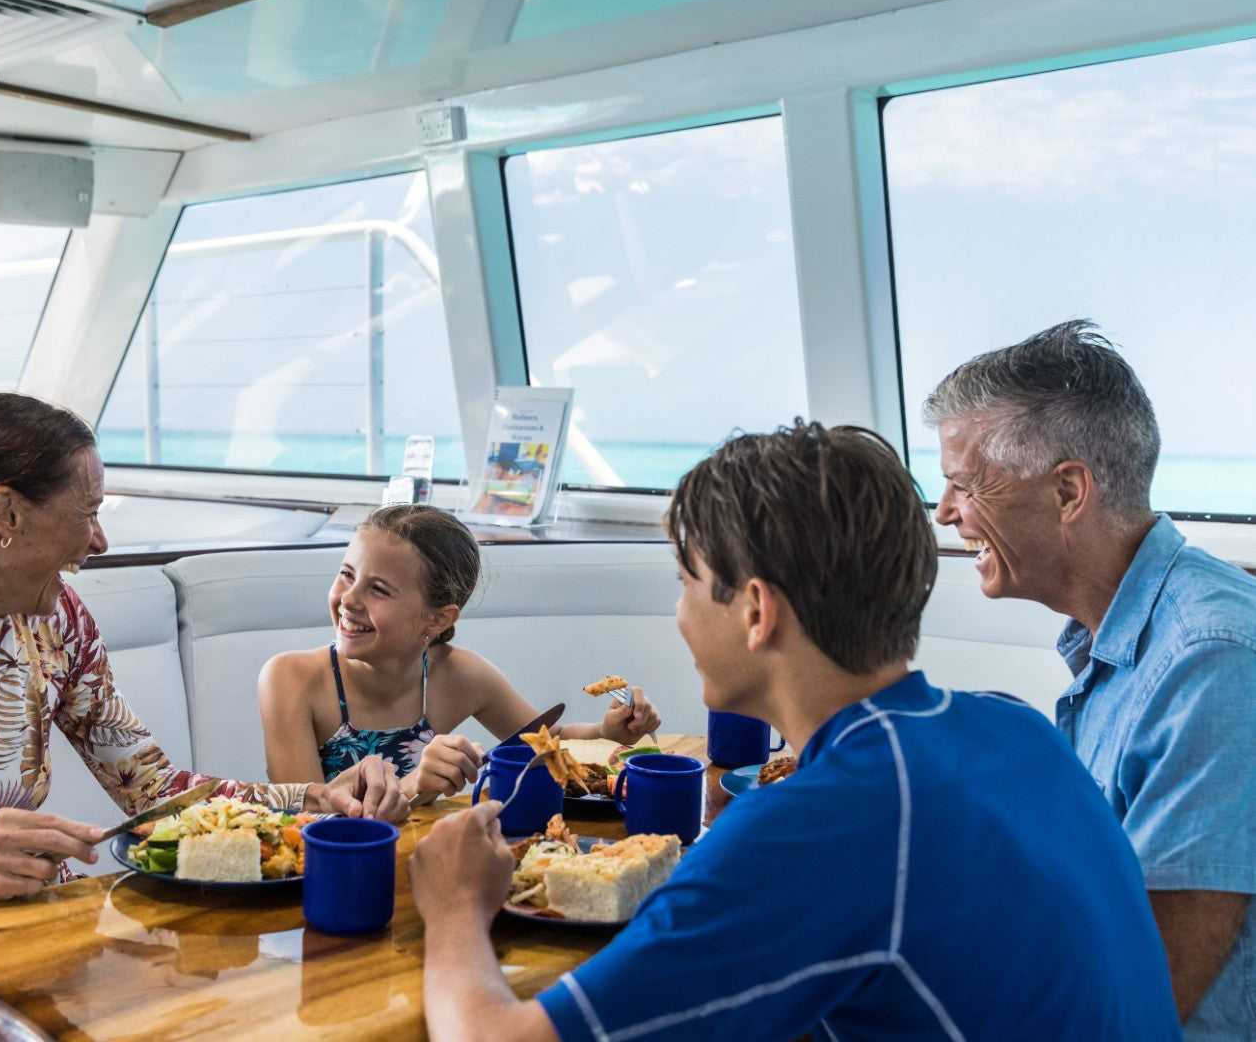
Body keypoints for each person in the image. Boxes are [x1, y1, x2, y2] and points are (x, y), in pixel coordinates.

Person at [411, 421, 1180, 1040]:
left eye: (685, 583)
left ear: (757, 611)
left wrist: (452, 908)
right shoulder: (1017, 730)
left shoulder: (823, 820)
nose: (679, 613)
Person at [0, 393, 405, 1042]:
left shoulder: (58, 621)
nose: (100, 540)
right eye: (89, 512)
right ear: (6, 513)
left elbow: (156, 793)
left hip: (52, 950)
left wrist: (310, 801)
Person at [924, 320, 1255, 1037]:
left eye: (963, 484)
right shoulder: (1121, 637)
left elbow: (1146, 997)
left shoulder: (1211, 660)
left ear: (1069, 491)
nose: (946, 512)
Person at [258, 503, 660, 801]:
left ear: (437, 619)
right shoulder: (291, 680)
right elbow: (298, 819)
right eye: (347, 574)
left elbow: (545, 742)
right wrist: (412, 786)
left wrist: (606, 732)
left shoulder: (461, 676)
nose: (349, 599)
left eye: (378, 589)